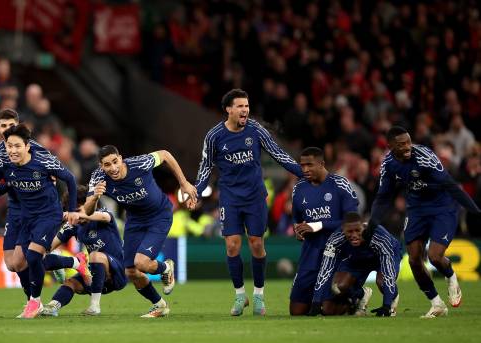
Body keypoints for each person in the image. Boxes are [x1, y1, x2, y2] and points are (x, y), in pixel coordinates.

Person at [193, 88, 303, 316]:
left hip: (255, 196)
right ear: (229, 110)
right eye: (240, 106)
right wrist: (197, 191)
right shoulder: (214, 136)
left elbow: (278, 153)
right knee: (232, 245)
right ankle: (240, 295)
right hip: (230, 198)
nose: (245, 110)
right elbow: (205, 168)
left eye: (247, 106)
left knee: (256, 244)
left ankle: (259, 296)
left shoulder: (255, 130)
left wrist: (303, 172)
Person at [368, 125, 481, 318]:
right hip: (416, 210)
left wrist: (475, 210)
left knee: (435, 257)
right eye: (401, 144)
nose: (407, 147)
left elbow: (450, 185)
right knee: (414, 259)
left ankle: (450, 275)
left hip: (442, 207)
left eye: (409, 142)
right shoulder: (388, 164)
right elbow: (383, 197)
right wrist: (373, 222)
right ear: (390, 146)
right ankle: (436, 303)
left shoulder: (424, 156)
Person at [85, 145, 197, 318]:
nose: (113, 168)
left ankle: (166, 267)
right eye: (107, 165)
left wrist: (184, 183)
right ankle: (160, 305)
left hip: (159, 216)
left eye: (115, 162)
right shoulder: (97, 178)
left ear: (121, 158)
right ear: (101, 166)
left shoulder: (139, 164)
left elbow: (165, 155)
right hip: (135, 220)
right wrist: (94, 198)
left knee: (142, 263)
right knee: (130, 271)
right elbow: (88, 211)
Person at [0, 124, 78, 319]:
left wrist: (71, 210)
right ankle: (39, 292)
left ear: (27, 146)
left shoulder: (43, 161)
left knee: (33, 256)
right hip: (27, 217)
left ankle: (34, 302)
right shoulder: (3, 164)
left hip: (49, 214)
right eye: (9, 146)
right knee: (17, 262)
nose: (12, 150)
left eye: (17, 146)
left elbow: (70, 179)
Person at [0, 108, 50, 312]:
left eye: (11, 125)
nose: (6, 129)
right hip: (14, 207)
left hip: (36, 207)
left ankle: (33, 302)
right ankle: (71, 262)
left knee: (25, 259)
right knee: (12, 264)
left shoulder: (35, 148)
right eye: (3, 126)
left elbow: (53, 177)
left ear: (18, 126)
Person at [290, 147, 360, 315]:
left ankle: (356, 297)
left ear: (322, 164)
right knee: (297, 312)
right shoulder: (298, 189)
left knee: (328, 310)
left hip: (336, 252)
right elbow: (297, 219)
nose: (305, 170)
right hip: (310, 252)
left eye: (309, 165)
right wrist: (298, 229)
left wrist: (317, 225)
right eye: (302, 165)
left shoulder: (340, 184)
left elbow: (352, 222)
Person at [41, 185, 126, 316]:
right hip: (96, 276)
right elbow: (47, 247)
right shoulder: (74, 225)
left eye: (79, 211)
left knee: (95, 256)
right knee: (70, 282)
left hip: (116, 273)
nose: (77, 217)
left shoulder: (103, 214)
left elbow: (105, 217)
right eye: (73, 212)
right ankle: (52, 307)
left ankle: (94, 306)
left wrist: (79, 214)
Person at [311, 212, 401, 317]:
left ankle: (393, 298)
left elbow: (388, 271)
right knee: (337, 286)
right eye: (349, 231)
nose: (354, 235)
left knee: (383, 283)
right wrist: (316, 302)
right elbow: (325, 270)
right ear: (343, 230)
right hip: (358, 257)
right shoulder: (335, 240)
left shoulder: (379, 237)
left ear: (364, 227)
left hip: (385, 256)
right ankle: (362, 294)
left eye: (358, 231)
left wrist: (386, 304)